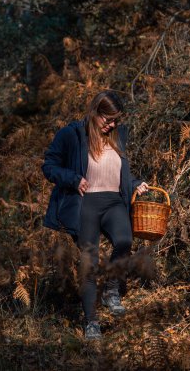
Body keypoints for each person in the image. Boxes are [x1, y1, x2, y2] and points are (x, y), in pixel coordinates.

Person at [41, 90, 148, 340]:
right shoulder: (73, 134)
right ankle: (91, 322)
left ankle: (112, 290)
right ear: (94, 112)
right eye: (107, 119)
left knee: (124, 240)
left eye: (115, 120)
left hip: (114, 202)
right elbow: (49, 165)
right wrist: (73, 178)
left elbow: (117, 173)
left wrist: (135, 184)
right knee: (90, 260)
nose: (112, 125)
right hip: (86, 203)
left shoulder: (118, 136)